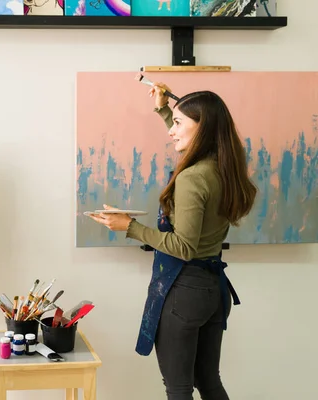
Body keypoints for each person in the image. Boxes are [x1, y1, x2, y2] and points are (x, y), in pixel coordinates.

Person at [88, 83, 257, 400]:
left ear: (202, 128)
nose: (171, 131)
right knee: (209, 383)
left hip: (184, 291)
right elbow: (191, 143)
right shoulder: (223, 168)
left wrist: (130, 226)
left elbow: (183, 247)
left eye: (179, 123)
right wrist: (166, 110)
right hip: (211, 292)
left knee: (178, 388)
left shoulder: (193, 177)